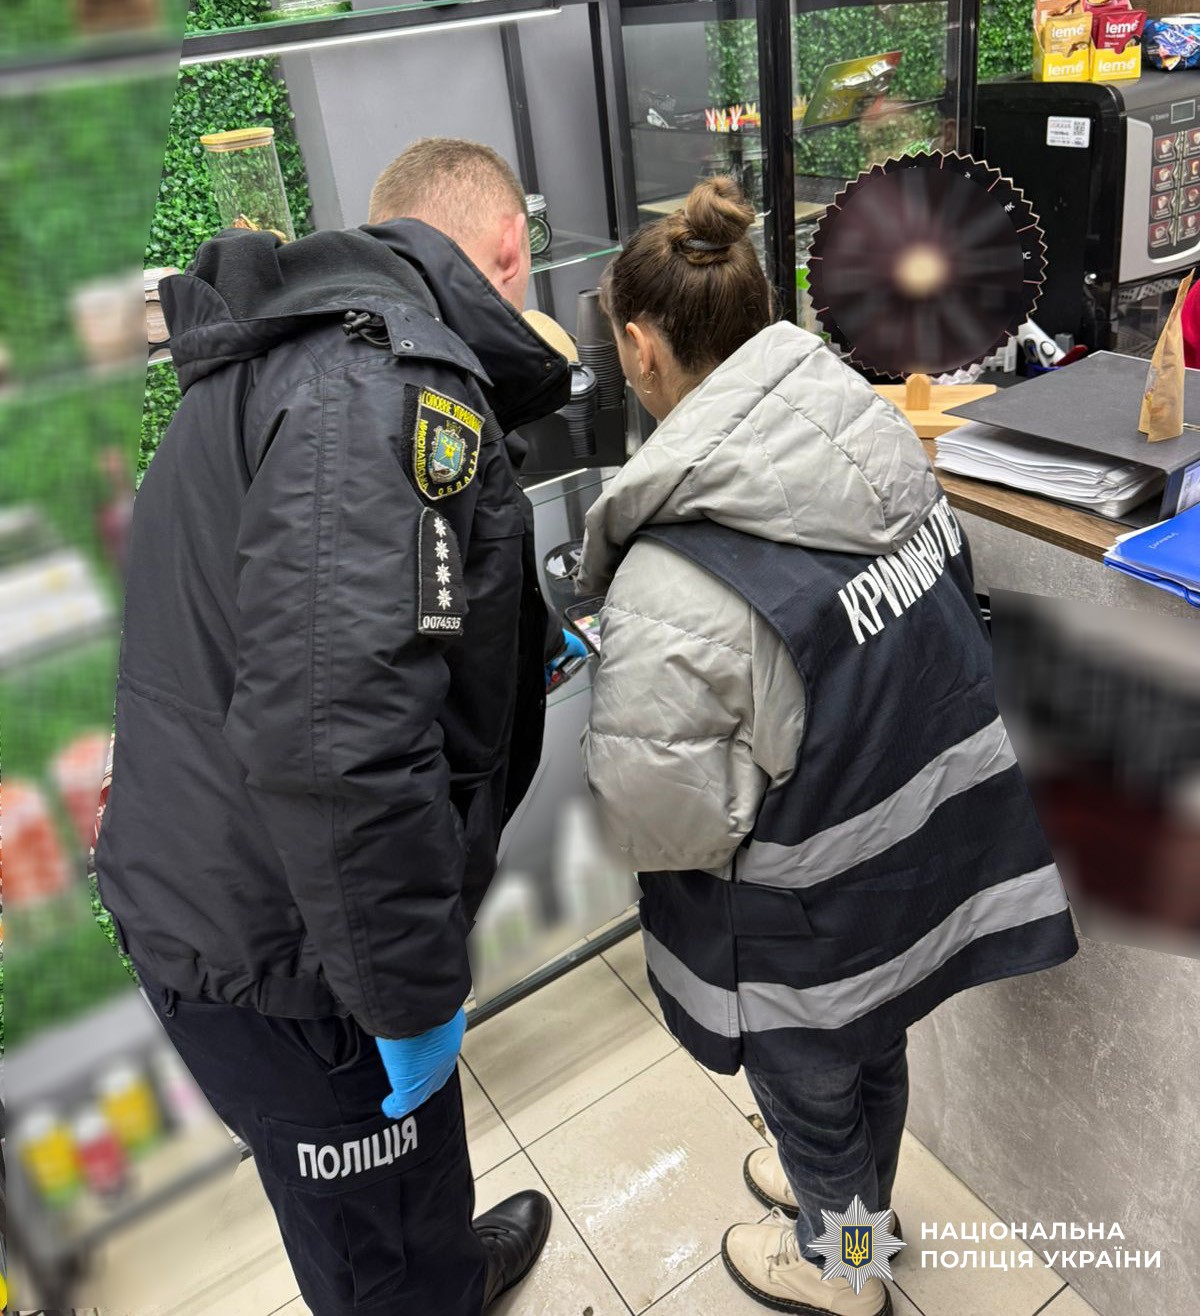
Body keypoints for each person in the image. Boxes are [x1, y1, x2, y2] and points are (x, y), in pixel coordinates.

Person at [578, 177, 1079, 1316]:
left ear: (642, 346)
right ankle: (855, 1205)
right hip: (915, 867)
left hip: (805, 924)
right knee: (872, 1049)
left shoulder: (674, 577)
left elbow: (661, 819)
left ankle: (844, 1261)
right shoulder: (869, 436)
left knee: (809, 1090)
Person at [95, 138, 576, 1316]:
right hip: (291, 948)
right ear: (508, 250)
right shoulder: (381, 387)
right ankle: (424, 1280)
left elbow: (322, 630)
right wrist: (408, 998)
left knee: (399, 1199)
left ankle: (444, 1262)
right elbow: (339, 746)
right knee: (375, 1263)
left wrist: (506, 640)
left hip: (257, 896)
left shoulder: (299, 361)